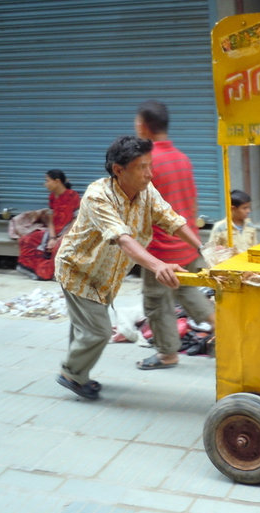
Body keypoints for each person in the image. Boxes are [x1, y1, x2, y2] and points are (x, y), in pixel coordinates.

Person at [54, 135, 205, 400]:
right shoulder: (98, 196)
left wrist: (202, 248)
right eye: (142, 167)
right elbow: (122, 238)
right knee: (98, 331)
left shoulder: (146, 192)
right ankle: (71, 374)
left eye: (150, 165)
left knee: (85, 327)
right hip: (79, 271)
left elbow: (171, 219)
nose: (150, 173)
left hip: (105, 274)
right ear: (119, 170)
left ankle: (77, 369)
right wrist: (158, 265)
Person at [133, 99, 215, 370]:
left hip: (161, 250)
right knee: (188, 291)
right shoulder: (183, 159)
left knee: (157, 303)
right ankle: (225, 328)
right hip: (187, 243)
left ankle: (168, 354)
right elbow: (192, 203)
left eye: (136, 123)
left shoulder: (144, 163)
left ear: (144, 127)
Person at [15, 170, 80, 280]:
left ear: (57, 181)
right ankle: (30, 268)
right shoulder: (52, 197)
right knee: (27, 239)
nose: (45, 184)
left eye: (47, 181)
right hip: (53, 232)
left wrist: (61, 237)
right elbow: (51, 219)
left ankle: (52, 272)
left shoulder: (73, 196)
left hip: (70, 231)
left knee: (59, 246)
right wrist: (52, 237)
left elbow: (76, 220)